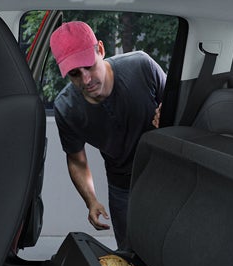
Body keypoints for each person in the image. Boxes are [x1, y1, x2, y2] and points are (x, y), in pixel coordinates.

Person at [50, 21, 166, 249]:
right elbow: (77, 160)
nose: (85, 80)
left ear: (101, 50)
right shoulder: (66, 108)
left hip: (165, 175)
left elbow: (177, 104)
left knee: (166, 247)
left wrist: (167, 112)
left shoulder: (141, 65)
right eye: (74, 73)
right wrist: (91, 201)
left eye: (89, 66)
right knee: (129, 253)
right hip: (122, 185)